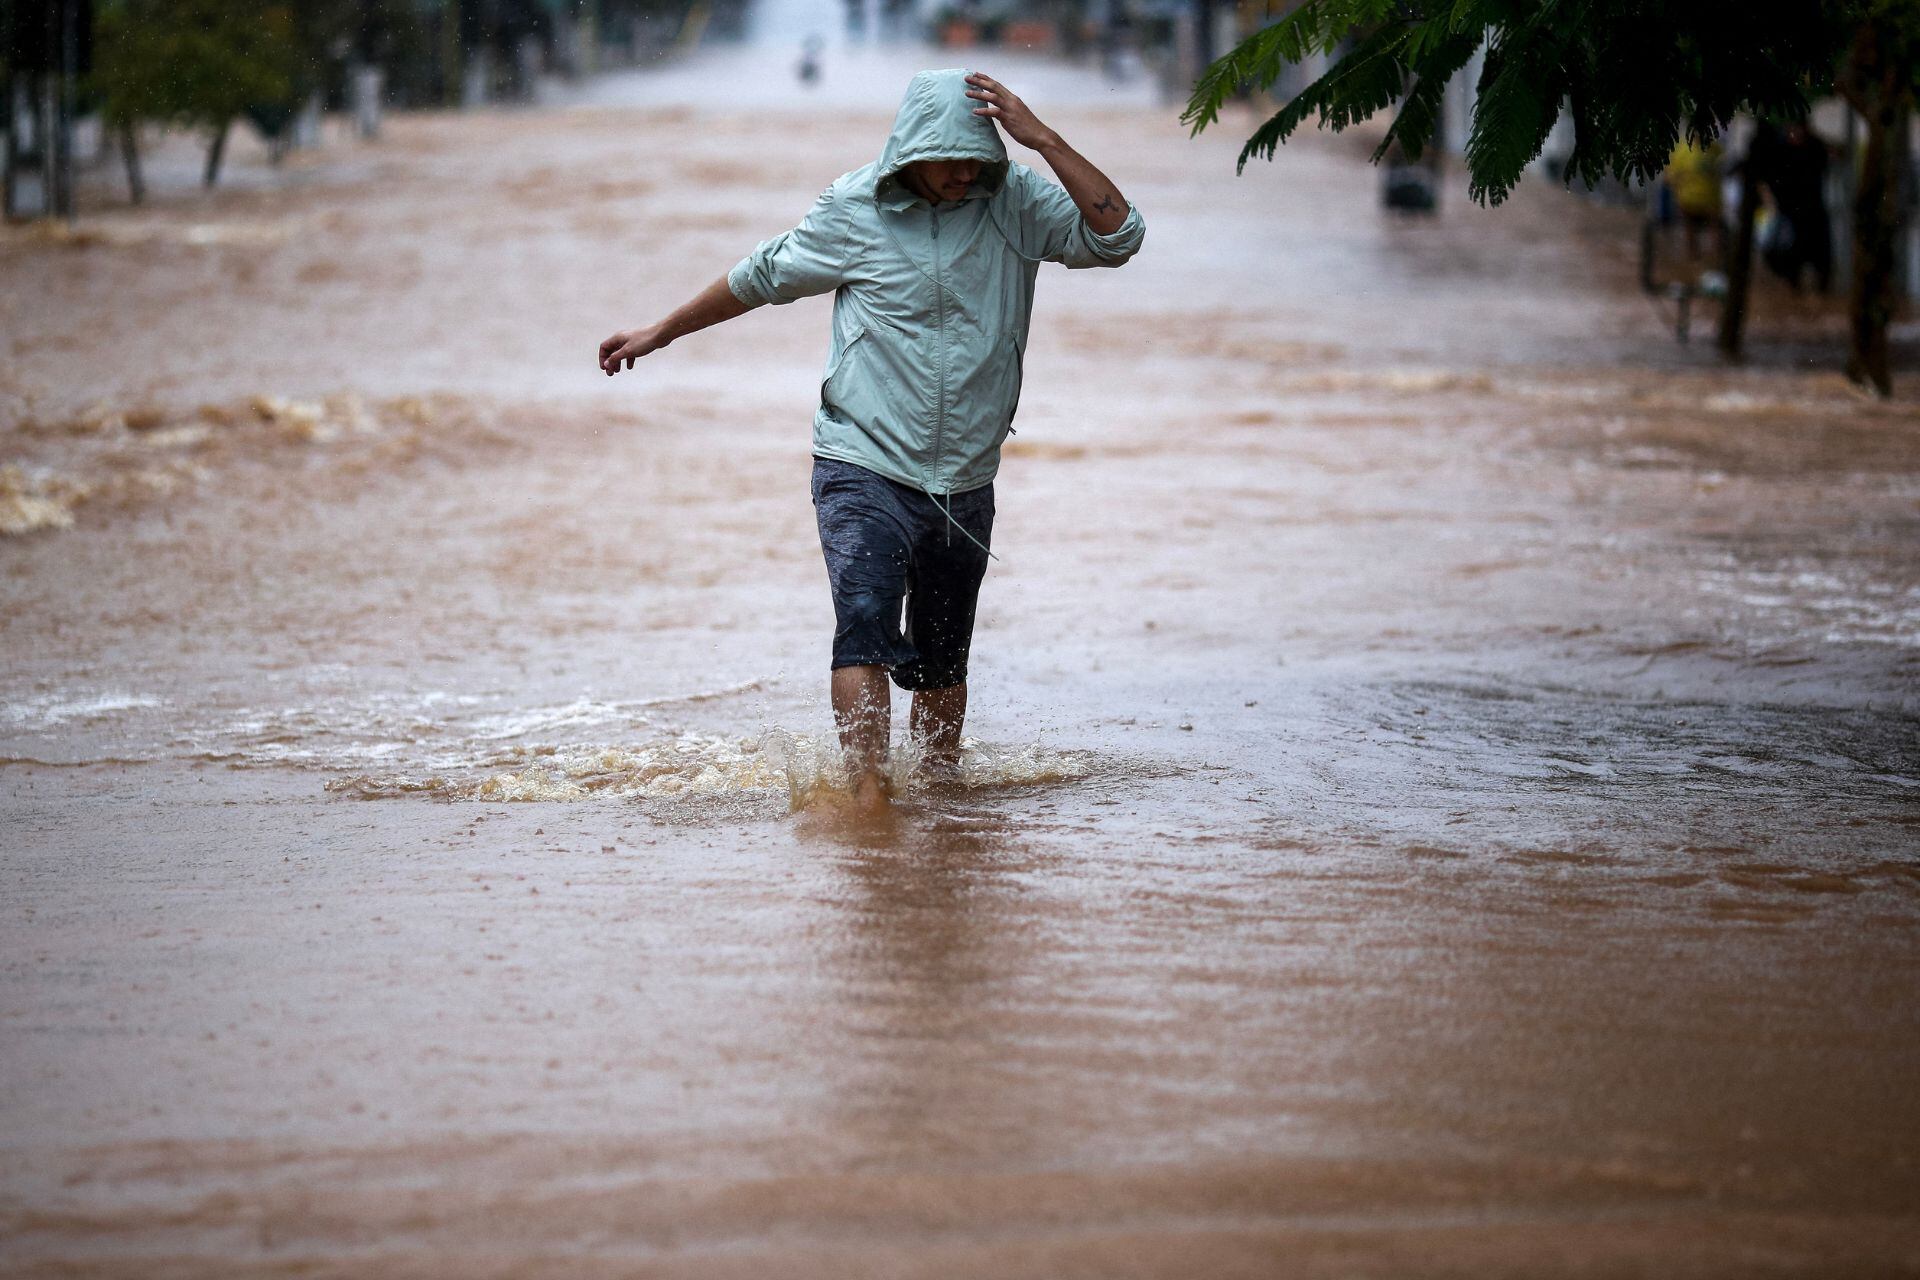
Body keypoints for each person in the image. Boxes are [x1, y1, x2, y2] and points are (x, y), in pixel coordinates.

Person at [597, 69, 1145, 814]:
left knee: (943, 660)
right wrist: (662, 330)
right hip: (863, 459)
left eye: (976, 156)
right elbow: (761, 276)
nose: (963, 172)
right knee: (863, 622)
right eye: (948, 156)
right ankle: (866, 796)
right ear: (910, 151)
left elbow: (1119, 238)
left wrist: (1042, 139)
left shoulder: (1015, 200)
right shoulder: (855, 208)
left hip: (965, 476)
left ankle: (941, 801)